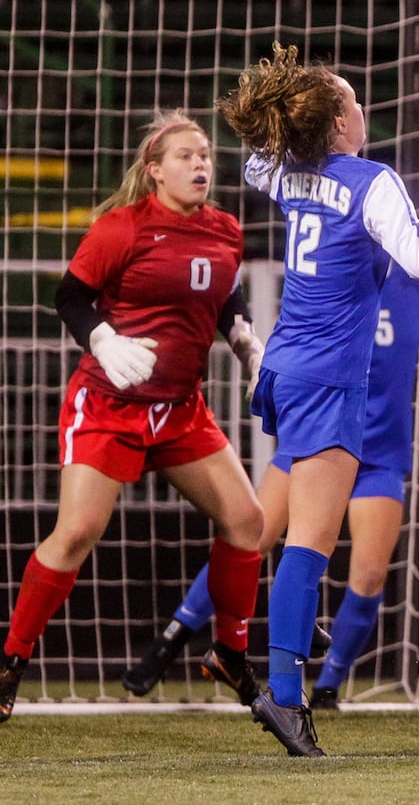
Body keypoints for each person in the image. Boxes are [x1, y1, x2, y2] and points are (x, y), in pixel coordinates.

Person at [221, 43, 419, 756]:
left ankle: (286, 673)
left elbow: (251, 163)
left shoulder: (287, 173)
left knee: (300, 537)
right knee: (309, 544)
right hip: (328, 378)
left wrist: (285, 134)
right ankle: (287, 698)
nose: (362, 111)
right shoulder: (372, 179)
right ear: (335, 124)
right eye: (351, 102)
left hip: (285, 367)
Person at [0, 111, 267, 722]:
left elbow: (224, 295)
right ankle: (10, 662)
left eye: (204, 154)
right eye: (184, 156)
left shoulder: (225, 229)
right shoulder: (121, 228)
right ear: (153, 171)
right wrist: (100, 339)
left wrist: (245, 339)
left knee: (247, 521)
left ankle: (229, 651)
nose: (201, 164)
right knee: (76, 534)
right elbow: (69, 296)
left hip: (179, 408)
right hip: (109, 404)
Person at [120, 263, 419, 710]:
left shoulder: (417, 286)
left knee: (368, 574)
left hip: (379, 454)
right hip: (316, 439)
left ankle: (329, 685)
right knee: (252, 537)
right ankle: (173, 638)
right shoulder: (332, 271)